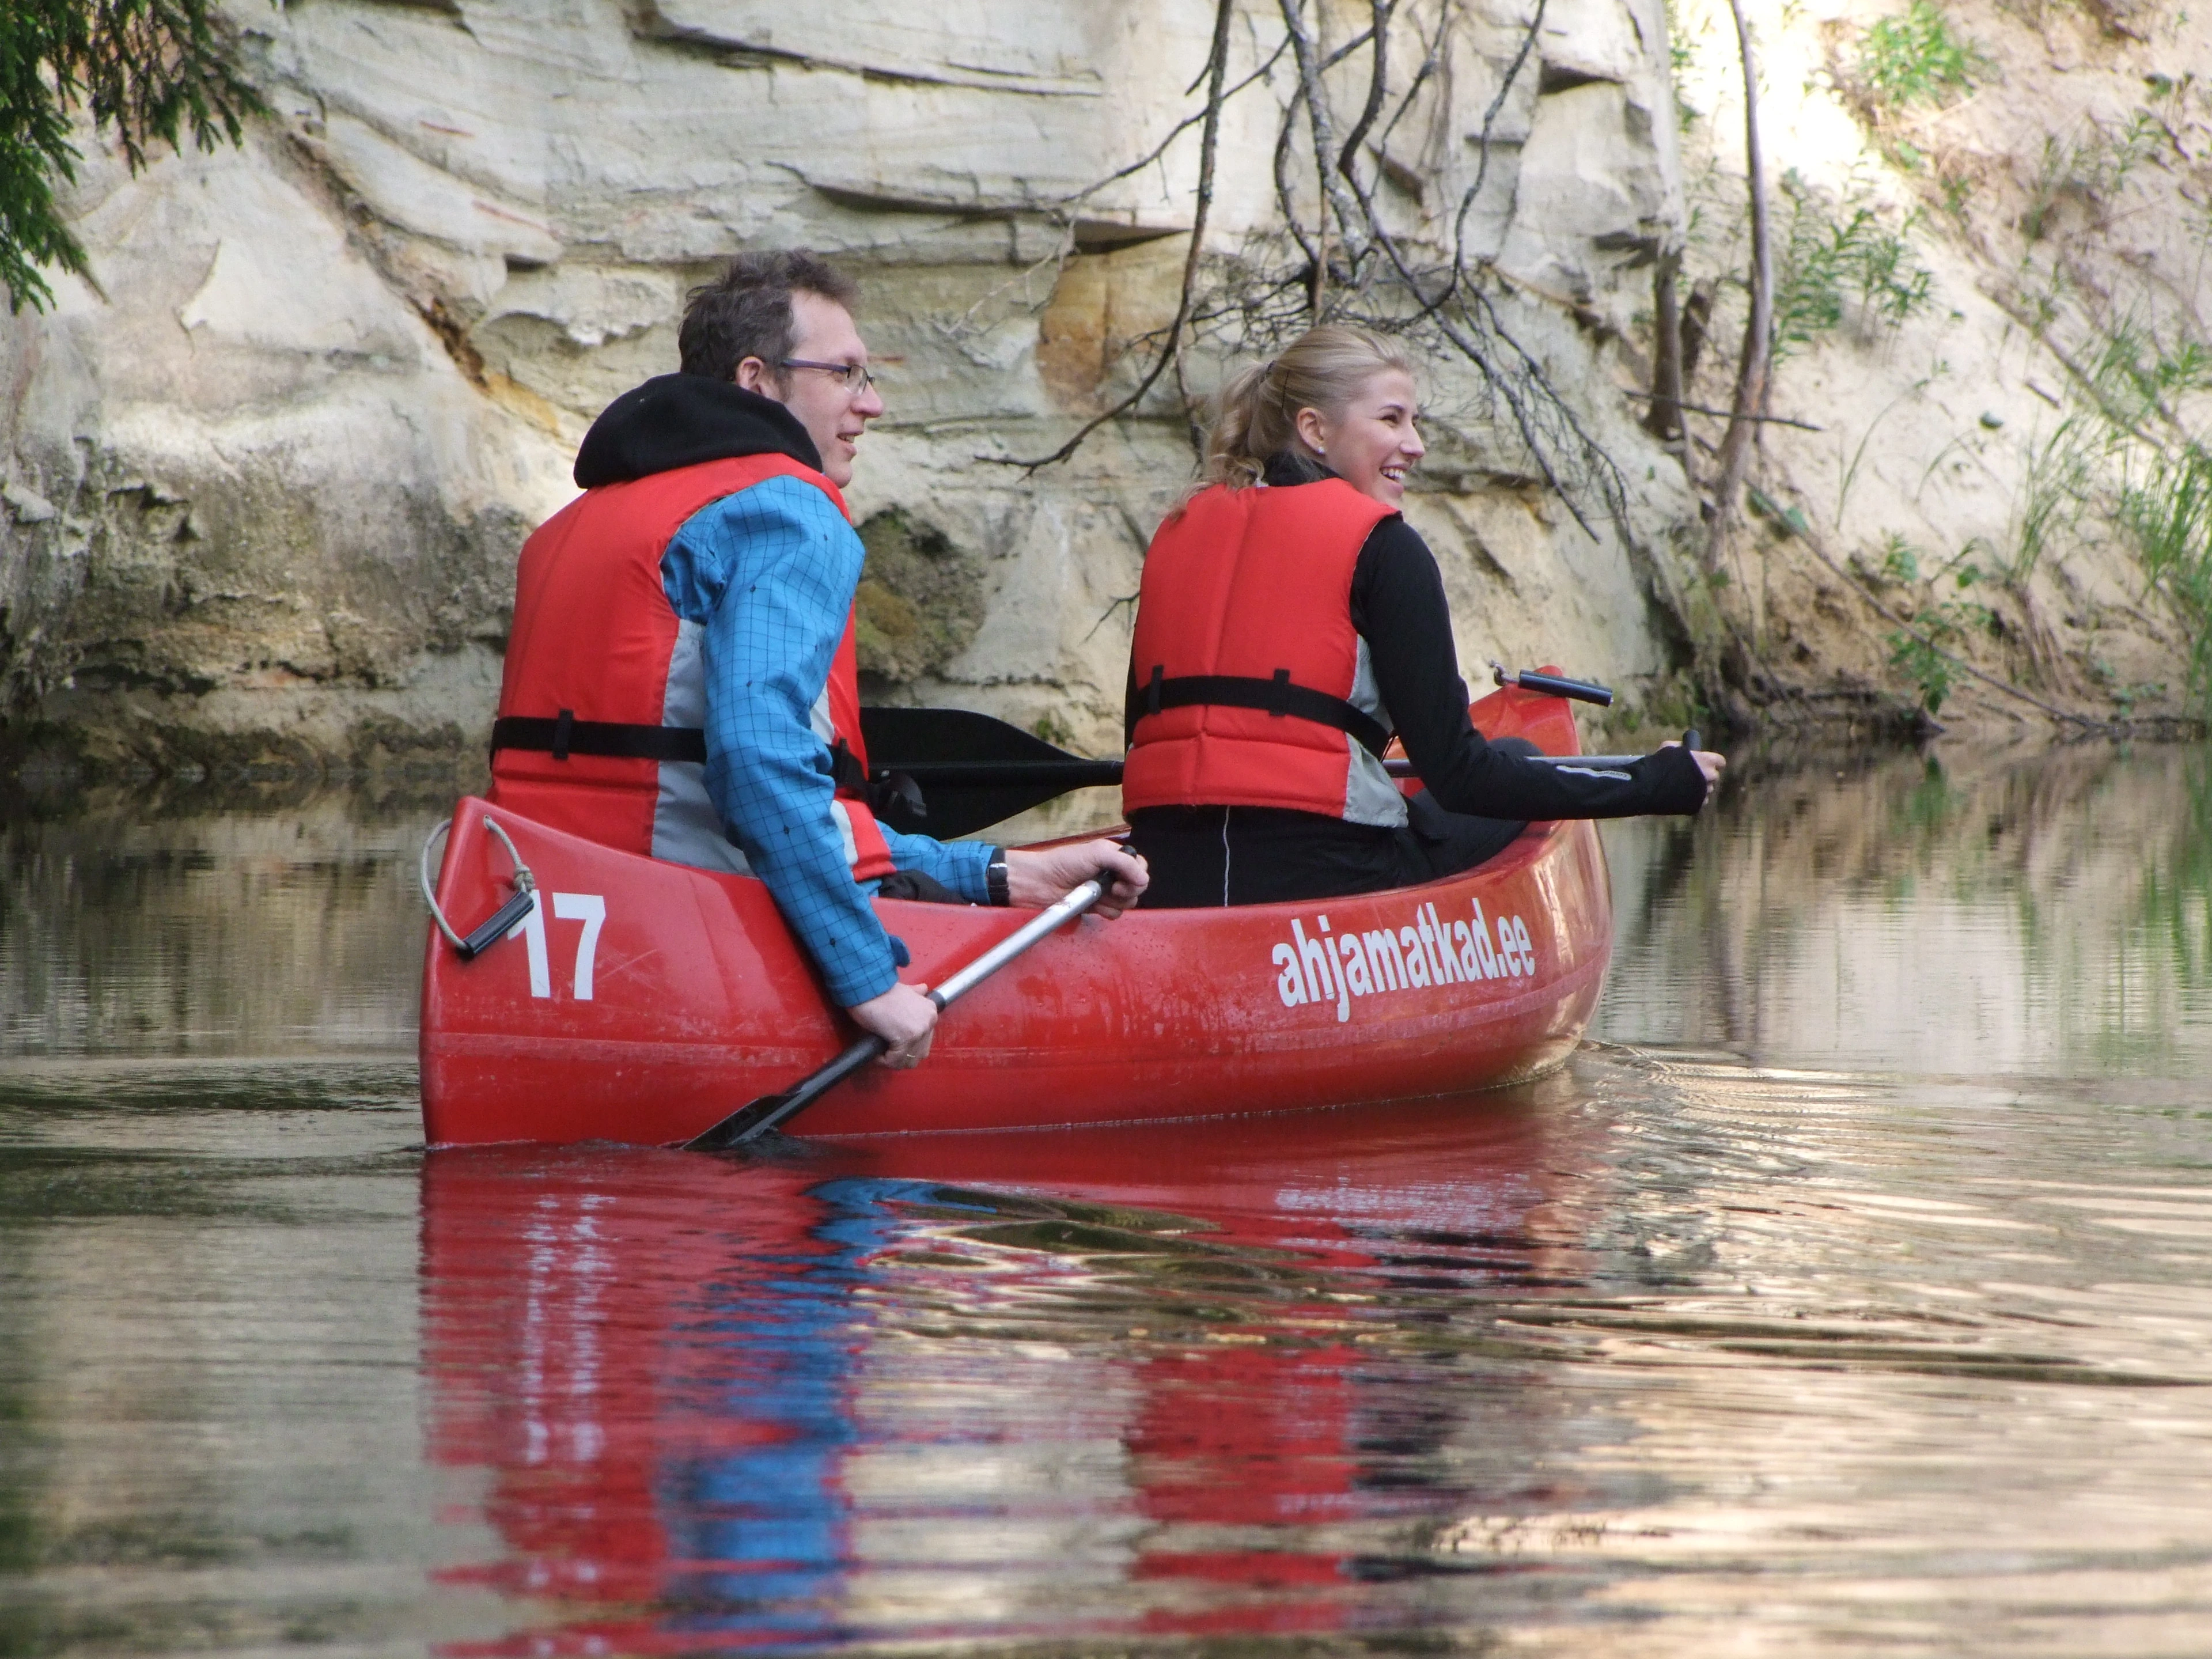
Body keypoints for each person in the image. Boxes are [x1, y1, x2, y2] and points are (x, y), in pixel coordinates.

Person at [487, 251, 1146, 1065]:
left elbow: (733, 798)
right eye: (846, 374)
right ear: (758, 380)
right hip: (680, 939)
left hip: (532, 927)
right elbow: (759, 765)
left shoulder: (574, 524)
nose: (872, 404)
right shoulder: (787, 510)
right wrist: (870, 983)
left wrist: (1001, 874)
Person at [1122, 324, 1724, 908]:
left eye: (1414, 421)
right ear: (1315, 430)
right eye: (1391, 419)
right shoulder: (1384, 549)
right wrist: (1656, 783)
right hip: (1325, 877)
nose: (1416, 444)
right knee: (1517, 758)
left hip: (1167, 872)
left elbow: (1142, 741)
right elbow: (1462, 776)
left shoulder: (1177, 534)